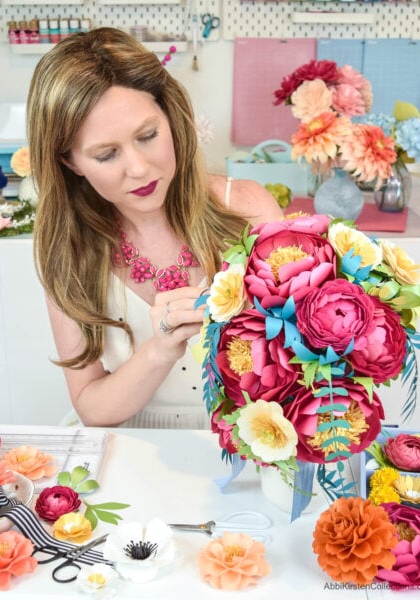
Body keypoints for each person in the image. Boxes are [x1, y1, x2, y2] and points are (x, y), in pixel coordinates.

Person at [27, 27, 283, 429]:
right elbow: (92, 407)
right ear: (71, 163)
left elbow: (304, 367)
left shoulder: (247, 209)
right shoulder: (70, 250)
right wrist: (160, 349)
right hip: (127, 448)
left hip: (252, 439)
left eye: (148, 135)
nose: (139, 168)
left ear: (170, 116)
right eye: (106, 154)